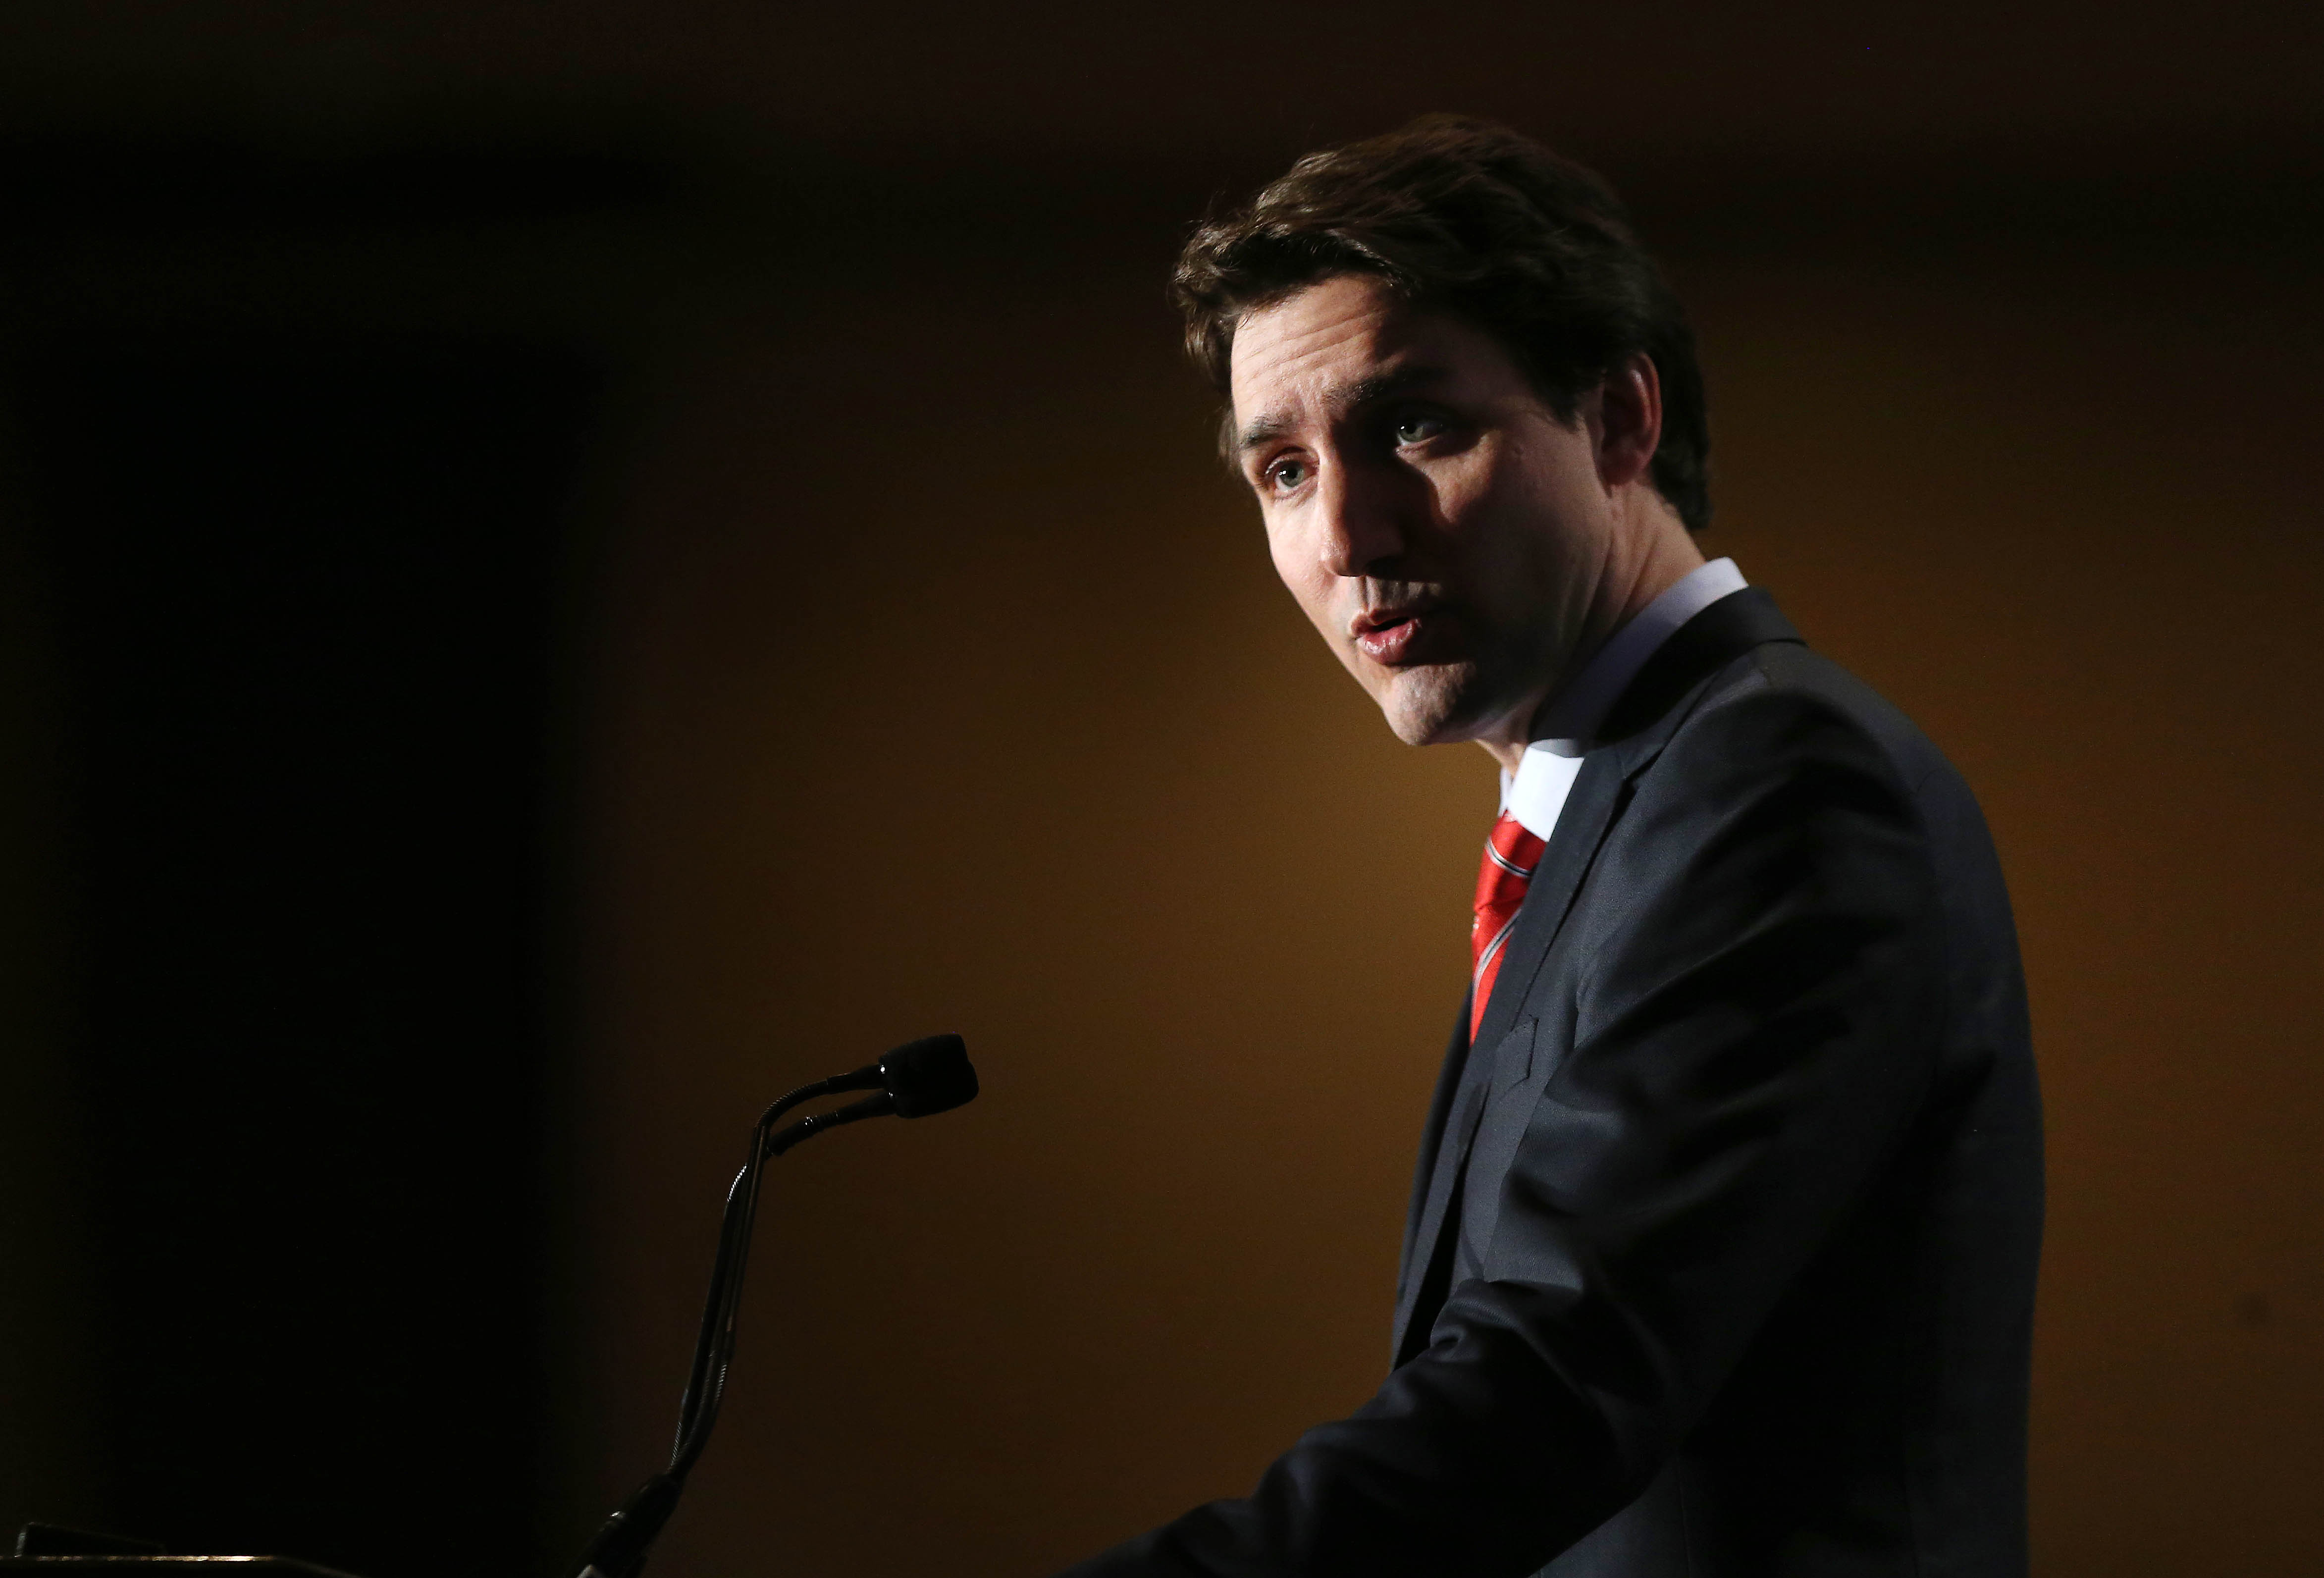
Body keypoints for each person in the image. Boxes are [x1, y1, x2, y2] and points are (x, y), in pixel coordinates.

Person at [1057, 117, 2044, 1578]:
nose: (1343, 531)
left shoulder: (1773, 777)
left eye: (1413, 426)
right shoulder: (1620, 797)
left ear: (1618, 421)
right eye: (1279, 470)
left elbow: (1555, 1379)